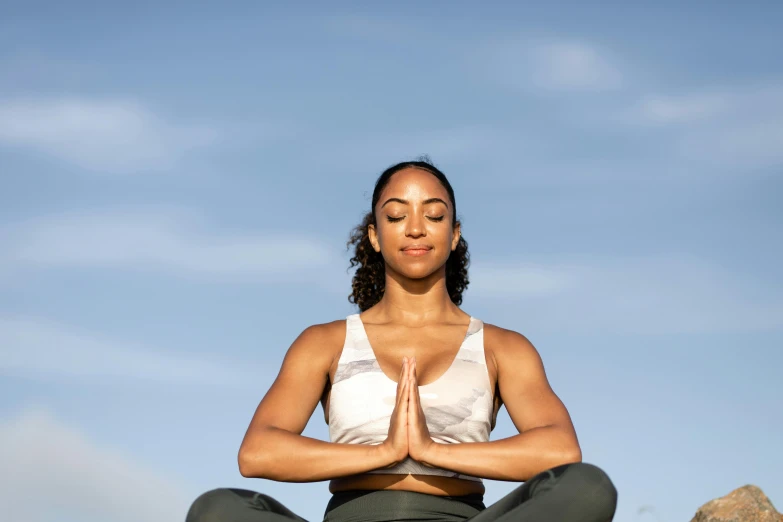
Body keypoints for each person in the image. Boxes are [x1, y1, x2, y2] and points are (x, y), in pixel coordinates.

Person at [186, 159, 618, 522]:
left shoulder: (501, 347)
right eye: (396, 216)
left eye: (433, 215)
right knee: (217, 509)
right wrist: (386, 452)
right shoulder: (325, 342)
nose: (415, 228)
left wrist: (431, 451)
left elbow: (560, 448)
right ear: (375, 235)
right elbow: (258, 452)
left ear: (454, 234)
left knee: (588, 488)